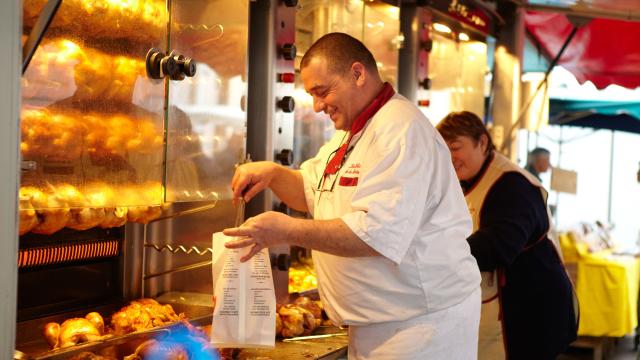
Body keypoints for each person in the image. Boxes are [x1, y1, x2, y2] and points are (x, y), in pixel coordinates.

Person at [222, 33, 481, 359]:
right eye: (311, 95)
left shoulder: (401, 129)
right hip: (376, 324)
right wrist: (273, 174)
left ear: (358, 73)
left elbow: (375, 235)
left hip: (421, 326)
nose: (317, 106)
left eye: (322, 92)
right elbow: (312, 191)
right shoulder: (352, 134)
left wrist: (285, 230)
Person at [436, 111, 577, 360]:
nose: (450, 158)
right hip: (503, 306)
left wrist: (437, 256)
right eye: (443, 150)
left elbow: (498, 246)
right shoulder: (465, 179)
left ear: (482, 142)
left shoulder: (511, 185)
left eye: (455, 148)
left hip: (531, 312)